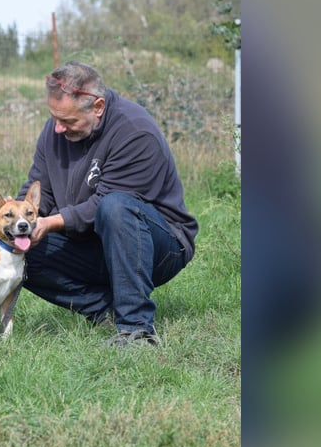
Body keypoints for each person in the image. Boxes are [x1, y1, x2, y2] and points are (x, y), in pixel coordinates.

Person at [17, 61, 198, 347]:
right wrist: (13, 221)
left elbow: (101, 206)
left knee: (115, 207)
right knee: (17, 249)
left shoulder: (135, 131)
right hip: (92, 241)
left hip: (158, 246)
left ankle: (137, 330)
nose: (58, 128)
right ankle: (104, 309)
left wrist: (50, 223)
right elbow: (39, 191)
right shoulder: (56, 130)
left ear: (97, 107)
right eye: (54, 117)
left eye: (68, 121)